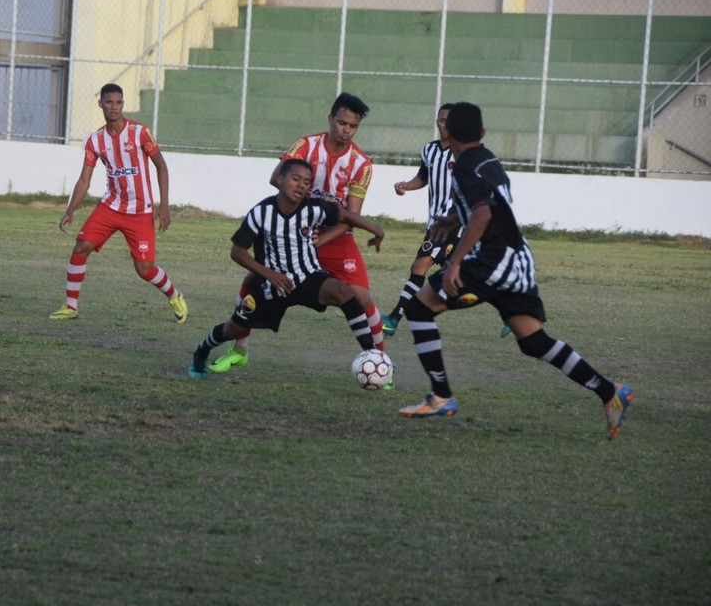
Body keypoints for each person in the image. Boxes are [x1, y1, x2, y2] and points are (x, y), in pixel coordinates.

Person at [396, 102, 633, 441]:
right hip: (518, 259)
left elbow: (483, 215)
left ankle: (441, 395)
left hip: (490, 261)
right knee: (533, 341)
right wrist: (453, 219)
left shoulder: (463, 167)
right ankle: (610, 391)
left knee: (419, 307)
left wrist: (457, 261)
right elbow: (492, 205)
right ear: (482, 134)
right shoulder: (489, 159)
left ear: (447, 133)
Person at [209, 93, 391, 383]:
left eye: (353, 126)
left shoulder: (362, 164)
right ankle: (239, 349)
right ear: (331, 119)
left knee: (362, 297)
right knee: (251, 282)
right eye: (342, 122)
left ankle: (381, 362)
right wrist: (304, 208)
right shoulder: (305, 146)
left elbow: (349, 217)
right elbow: (275, 179)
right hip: (294, 229)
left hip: (334, 233)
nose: (346, 130)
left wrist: (319, 241)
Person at [188, 158, 385, 379]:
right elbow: (237, 251)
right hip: (271, 286)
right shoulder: (261, 213)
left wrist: (377, 230)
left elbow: (345, 214)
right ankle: (201, 351)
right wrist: (269, 275)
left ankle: (372, 354)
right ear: (280, 179)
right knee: (234, 329)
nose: (301, 185)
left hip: (308, 277)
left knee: (344, 292)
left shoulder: (314, 209)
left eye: (307, 182)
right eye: (296, 179)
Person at [50, 83, 188, 324]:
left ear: (122, 104)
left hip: (141, 211)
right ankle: (71, 306)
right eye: (109, 102)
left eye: (118, 102)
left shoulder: (139, 133)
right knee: (81, 246)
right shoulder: (95, 141)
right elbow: (84, 180)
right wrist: (70, 210)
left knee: (144, 269)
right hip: (111, 206)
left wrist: (163, 204)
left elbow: (161, 166)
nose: (114, 107)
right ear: (101, 104)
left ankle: (174, 295)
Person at [384, 104, 511, 339]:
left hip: (452, 223)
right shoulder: (430, 151)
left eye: (450, 121)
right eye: (442, 120)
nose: (446, 125)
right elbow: (423, 177)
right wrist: (406, 186)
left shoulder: (466, 154)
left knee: (419, 267)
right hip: (436, 222)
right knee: (461, 277)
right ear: (437, 123)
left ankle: (393, 319)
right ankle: (509, 310)